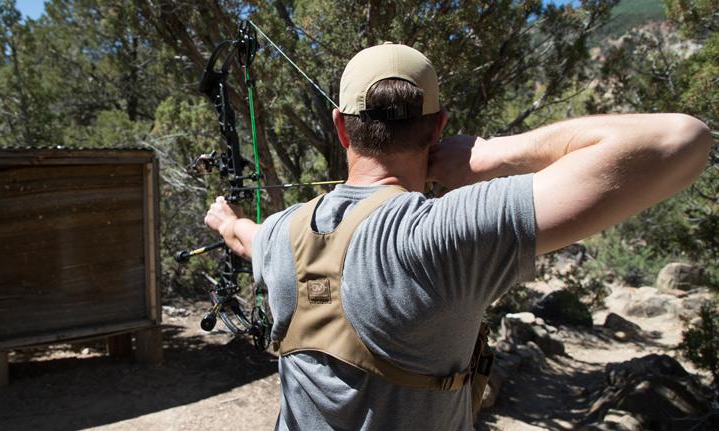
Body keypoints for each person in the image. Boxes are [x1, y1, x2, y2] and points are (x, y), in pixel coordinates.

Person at [204, 43, 711, 430]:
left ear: (340, 127)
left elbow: (245, 237)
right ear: (439, 126)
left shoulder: (280, 232)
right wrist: (492, 156)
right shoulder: (445, 233)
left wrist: (225, 219)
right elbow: (683, 140)